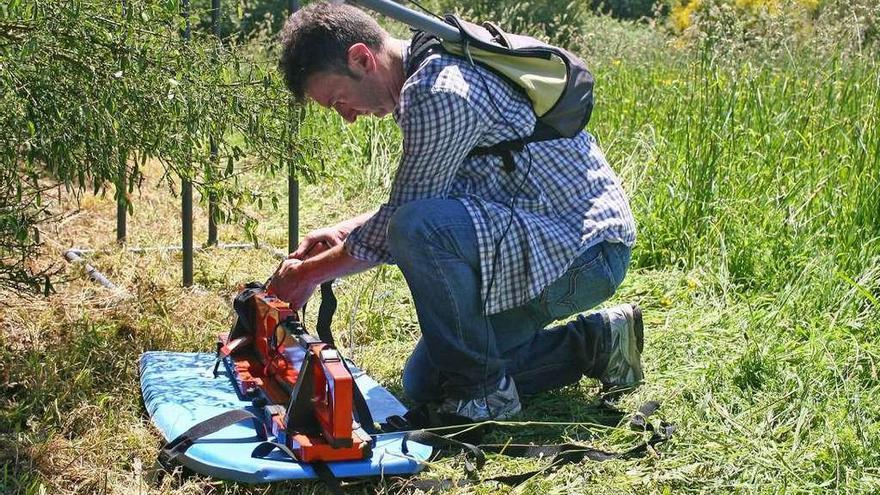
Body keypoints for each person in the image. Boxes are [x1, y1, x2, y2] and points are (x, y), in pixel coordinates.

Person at [268, 2, 642, 422]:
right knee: (426, 382)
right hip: (547, 238)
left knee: (418, 233)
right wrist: (341, 235)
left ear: (361, 58)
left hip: (583, 252)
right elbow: (418, 201)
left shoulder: (437, 91)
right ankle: (600, 342)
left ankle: (483, 394)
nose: (349, 118)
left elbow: (409, 221)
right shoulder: (428, 73)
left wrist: (308, 274)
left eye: (339, 100)